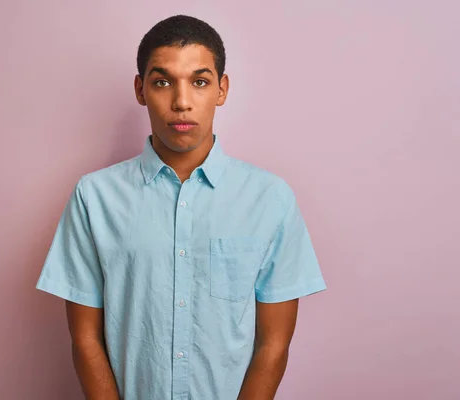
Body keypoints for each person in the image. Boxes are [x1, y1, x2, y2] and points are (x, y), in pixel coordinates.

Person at [36, 14, 326, 400]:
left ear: (222, 89)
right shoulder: (95, 197)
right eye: (162, 82)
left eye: (200, 82)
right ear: (140, 90)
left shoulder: (270, 199)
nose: (182, 102)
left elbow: (272, 345)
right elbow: (85, 339)